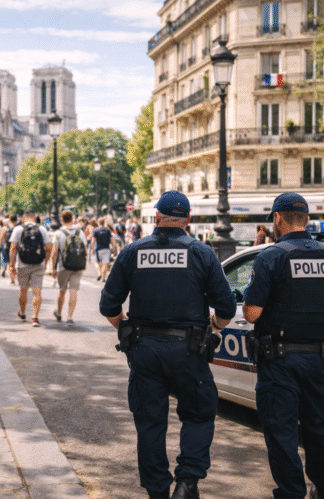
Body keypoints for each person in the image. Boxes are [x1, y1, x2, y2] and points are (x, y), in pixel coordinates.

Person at [99, 190, 236, 499]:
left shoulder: (133, 251)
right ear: (187, 221)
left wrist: (128, 330)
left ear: (157, 217)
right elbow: (226, 309)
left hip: (144, 350)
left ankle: (157, 491)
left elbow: (108, 306)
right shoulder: (201, 253)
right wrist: (211, 328)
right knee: (199, 415)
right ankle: (187, 482)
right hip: (190, 349)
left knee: (149, 424)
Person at [242, 192, 324, 499]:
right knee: (317, 428)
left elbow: (252, 314)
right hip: (317, 358)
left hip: (280, 362)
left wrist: (253, 304)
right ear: (308, 220)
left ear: (277, 218)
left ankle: (291, 493)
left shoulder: (271, 256)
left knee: (282, 433)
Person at [9, 209, 51, 326]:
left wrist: (11, 264)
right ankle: (35, 317)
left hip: (23, 263)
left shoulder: (18, 229)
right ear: (35, 217)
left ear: (23, 218)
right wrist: (45, 262)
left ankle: (22, 313)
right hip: (39, 263)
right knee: (37, 291)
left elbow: (13, 248)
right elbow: (48, 247)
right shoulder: (42, 229)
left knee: (23, 289)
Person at [50, 210, 87, 326]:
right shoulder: (80, 232)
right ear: (73, 219)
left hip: (63, 265)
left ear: (62, 220)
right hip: (77, 266)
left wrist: (53, 268)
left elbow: (54, 252)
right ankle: (70, 317)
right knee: (73, 291)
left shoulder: (58, 233)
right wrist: (83, 263)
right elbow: (85, 250)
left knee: (62, 291)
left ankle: (59, 313)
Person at [92, 217, 113, 282]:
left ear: (98, 223)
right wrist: (112, 247)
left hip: (98, 249)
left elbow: (93, 240)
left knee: (97, 263)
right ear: (104, 223)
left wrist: (92, 249)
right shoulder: (107, 230)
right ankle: (103, 278)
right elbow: (111, 240)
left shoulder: (96, 230)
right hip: (106, 248)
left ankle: (99, 274)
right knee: (105, 264)